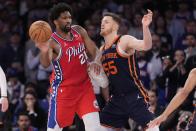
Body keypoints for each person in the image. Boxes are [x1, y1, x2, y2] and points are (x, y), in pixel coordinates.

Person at [35, 3, 103, 131]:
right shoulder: (53, 42)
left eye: (69, 17)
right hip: (63, 91)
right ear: (55, 21)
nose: (68, 20)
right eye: (64, 18)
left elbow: (93, 51)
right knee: (54, 130)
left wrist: (95, 61)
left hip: (84, 88)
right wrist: (44, 50)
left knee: (95, 128)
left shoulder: (79, 30)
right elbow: (44, 64)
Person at [99, 11, 159, 131]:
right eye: (101, 22)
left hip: (133, 94)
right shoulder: (102, 50)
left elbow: (146, 46)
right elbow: (104, 80)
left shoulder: (123, 40)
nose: (102, 23)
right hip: (116, 98)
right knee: (98, 127)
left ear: (115, 26)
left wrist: (145, 27)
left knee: (152, 127)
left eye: (106, 21)